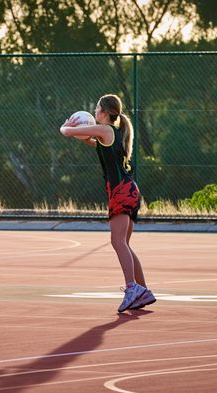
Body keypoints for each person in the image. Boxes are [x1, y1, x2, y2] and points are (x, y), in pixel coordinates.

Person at [60, 94, 155, 312]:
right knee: (124, 244)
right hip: (129, 190)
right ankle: (143, 290)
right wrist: (80, 133)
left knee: (117, 242)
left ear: (104, 112)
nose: (94, 111)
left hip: (121, 191)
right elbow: (89, 142)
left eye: (96, 108)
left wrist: (66, 127)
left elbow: (67, 132)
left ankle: (132, 288)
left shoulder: (105, 130)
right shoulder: (112, 133)